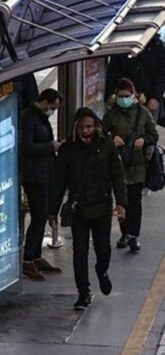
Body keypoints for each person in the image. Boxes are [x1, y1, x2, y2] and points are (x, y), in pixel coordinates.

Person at [50, 107, 127, 310]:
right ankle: (83, 293)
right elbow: (59, 182)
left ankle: (102, 271)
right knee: (79, 252)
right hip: (79, 209)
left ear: (96, 127)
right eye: (83, 127)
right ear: (76, 128)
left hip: (102, 207)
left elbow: (117, 176)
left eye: (90, 127)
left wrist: (121, 203)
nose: (86, 131)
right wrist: (52, 211)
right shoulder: (67, 151)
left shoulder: (106, 146)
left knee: (103, 249)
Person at [103, 78, 159, 252]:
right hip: (118, 164)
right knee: (122, 200)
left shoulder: (143, 113)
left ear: (134, 95)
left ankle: (134, 235)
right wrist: (112, 138)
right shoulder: (111, 114)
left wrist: (144, 139)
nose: (123, 99)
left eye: (127, 96)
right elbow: (101, 133)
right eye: (120, 96)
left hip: (137, 164)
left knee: (135, 200)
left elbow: (154, 134)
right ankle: (125, 232)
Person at [20, 89, 63, 281]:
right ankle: (28, 259)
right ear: (44, 102)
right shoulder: (29, 118)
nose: (52, 111)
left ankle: (35, 256)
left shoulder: (39, 117)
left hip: (43, 173)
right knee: (38, 216)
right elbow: (26, 147)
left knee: (42, 215)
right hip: (33, 176)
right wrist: (50, 146)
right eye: (52, 107)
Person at [106, 36, 165, 123]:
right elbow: (112, 73)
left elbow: (161, 74)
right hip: (124, 100)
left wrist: (155, 97)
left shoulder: (157, 46)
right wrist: (109, 96)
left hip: (148, 99)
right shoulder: (122, 46)